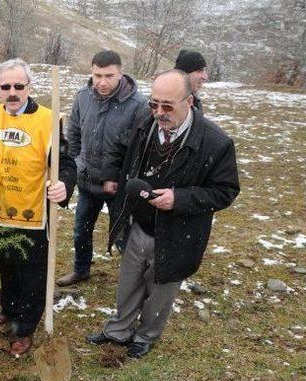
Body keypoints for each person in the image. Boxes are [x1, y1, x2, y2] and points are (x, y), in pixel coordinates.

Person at [86, 70, 240, 358]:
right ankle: (119, 330)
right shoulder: (144, 124)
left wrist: (179, 199)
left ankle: (145, 336)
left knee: (161, 290)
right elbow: (120, 148)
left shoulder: (216, 143)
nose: (159, 112)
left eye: (167, 106)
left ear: (190, 101)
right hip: (139, 223)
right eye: (153, 104)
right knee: (129, 281)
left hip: (179, 233)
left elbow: (225, 191)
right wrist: (112, 174)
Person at [0, 58, 76, 356]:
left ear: (28, 87)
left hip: (33, 212)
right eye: (6, 86)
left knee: (32, 272)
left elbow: (67, 164)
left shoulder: (48, 120)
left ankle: (26, 325)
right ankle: (9, 309)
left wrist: (64, 186)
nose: (12, 92)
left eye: (18, 86)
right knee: (6, 263)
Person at [56, 50, 146, 287]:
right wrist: (74, 166)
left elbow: (138, 148)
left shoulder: (138, 105)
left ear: (121, 73)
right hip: (87, 179)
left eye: (109, 76)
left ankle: (133, 279)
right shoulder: (82, 97)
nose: (102, 82)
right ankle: (81, 269)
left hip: (119, 185)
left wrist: (121, 178)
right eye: (97, 75)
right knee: (81, 230)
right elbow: (73, 133)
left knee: (122, 234)